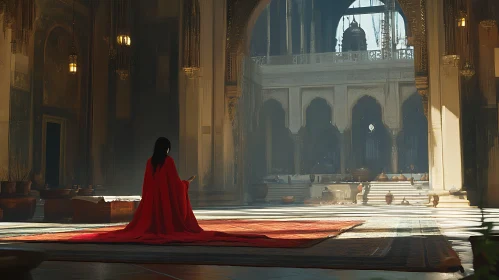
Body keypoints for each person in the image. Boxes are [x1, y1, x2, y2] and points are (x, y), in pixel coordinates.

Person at [70, 137, 291, 246]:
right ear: (166, 148)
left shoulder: (150, 161)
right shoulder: (168, 161)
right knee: (181, 230)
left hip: (151, 206)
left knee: (141, 229)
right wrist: (186, 183)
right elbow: (174, 185)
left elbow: (148, 186)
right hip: (165, 207)